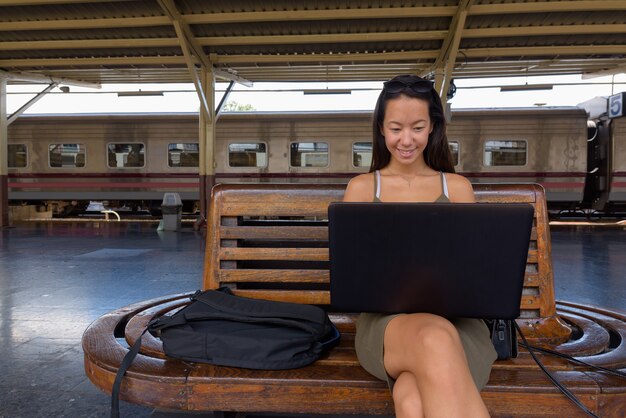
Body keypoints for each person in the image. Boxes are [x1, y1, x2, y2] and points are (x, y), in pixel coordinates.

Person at [343, 74, 497, 418]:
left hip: (458, 326)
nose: (406, 139)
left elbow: (470, 270)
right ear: (381, 129)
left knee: (411, 399)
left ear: (433, 128)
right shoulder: (362, 188)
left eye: (417, 127)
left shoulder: (457, 188)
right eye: (396, 128)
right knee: (433, 338)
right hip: (387, 327)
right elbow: (353, 274)